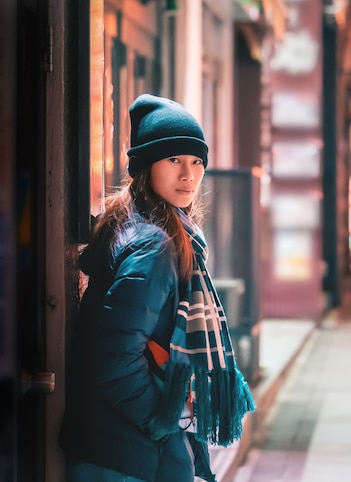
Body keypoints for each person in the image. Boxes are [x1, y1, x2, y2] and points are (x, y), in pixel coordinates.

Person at [60, 94, 255, 482]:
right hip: (128, 456)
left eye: (197, 161)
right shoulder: (156, 246)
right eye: (174, 160)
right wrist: (162, 420)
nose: (189, 174)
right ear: (146, 166)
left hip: (123, 452)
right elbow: (114, 358)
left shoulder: (155, 233)